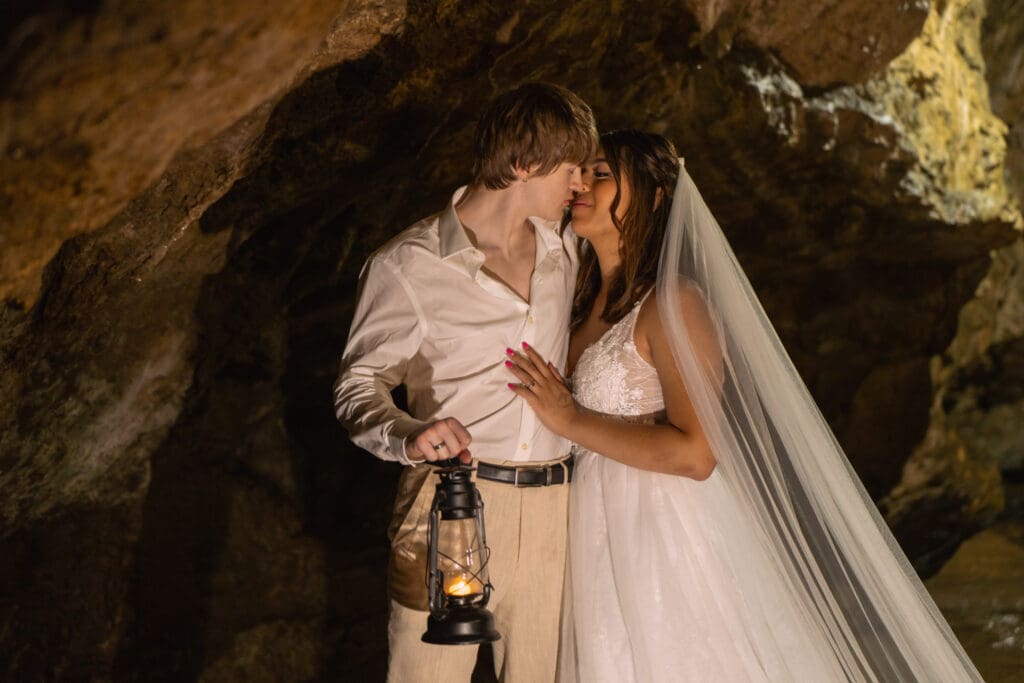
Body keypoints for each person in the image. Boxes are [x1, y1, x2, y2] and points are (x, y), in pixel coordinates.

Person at [505, 130, 983, 681]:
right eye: (581, 172)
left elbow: (697, 452)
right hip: (584, 526)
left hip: (662, 533)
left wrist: (569, 417)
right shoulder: (575, 300)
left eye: (603, 173)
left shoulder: (673, 303)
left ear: (656, 197)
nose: (582, 183)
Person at [333, 83, 597, 682]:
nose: (580, 183)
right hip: (450, 506)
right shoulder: (406, 265)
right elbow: (359, 386)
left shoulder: (570, 249)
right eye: (572, 167)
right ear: (526, 163)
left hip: (560, 509)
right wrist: (409, 433)